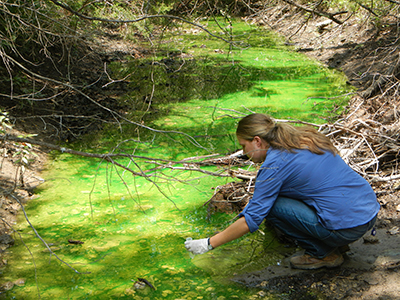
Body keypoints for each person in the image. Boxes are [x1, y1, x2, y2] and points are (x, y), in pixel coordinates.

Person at [184, 113, 380, 270]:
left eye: (244, 146)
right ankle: (337, 242)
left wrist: (208, 243)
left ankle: (324, 253)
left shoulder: (273, 166)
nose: (244, 153)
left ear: (257, 141)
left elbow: (252, 218)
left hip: (348, 227)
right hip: (368, 212)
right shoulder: (304, 138)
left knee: (270, 207)